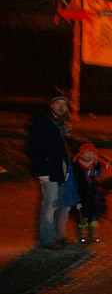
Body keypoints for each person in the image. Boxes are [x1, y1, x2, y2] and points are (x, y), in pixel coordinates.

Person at [30, 94, 75, 249]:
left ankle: (57, 235)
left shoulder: (66, 124)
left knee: (62, 203)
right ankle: (47, 238)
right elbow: (36, 147)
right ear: (51, 105)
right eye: (58, 103)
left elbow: (67, 148)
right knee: (50, 204)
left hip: (62, 170)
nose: (61, 107)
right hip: (48, 169)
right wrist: (41, 169)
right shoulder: (43, 122)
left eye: (64, 104)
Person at [71, 143, 108, 243]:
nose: (89, 155)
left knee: (93, 212)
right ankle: (83, 233)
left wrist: (95, 173)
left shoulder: (95, 163)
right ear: (81, 154)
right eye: (87, 152)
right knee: (82, 213)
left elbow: (100, 173)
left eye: (91, 152)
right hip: (81, 192)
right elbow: (74, 177)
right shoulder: (77, 164)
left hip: (93, 192)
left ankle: (93, 233)